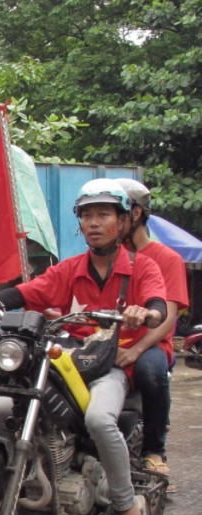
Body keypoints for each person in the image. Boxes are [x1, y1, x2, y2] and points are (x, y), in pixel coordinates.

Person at [0, 178, 167, 515]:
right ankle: (11, 490)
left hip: (111, 365)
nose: (94, 223)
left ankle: (127, 504)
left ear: (123, 222)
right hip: (68, 358)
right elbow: (28, 292)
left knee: (99, 420)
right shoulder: (70, 269)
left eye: (103, 215)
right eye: (87, 216)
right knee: (0, 408)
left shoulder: (142, 268)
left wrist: (144, 311)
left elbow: (159, 305)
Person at [114, 178, 188, 485]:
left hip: (152, 343)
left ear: (136, 214)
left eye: (117, 211)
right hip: (108, 341)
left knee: (150, 373)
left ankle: (155, 450)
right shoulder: (106, 255)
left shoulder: (167, 258)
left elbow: (168, 319)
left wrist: (136, 349)